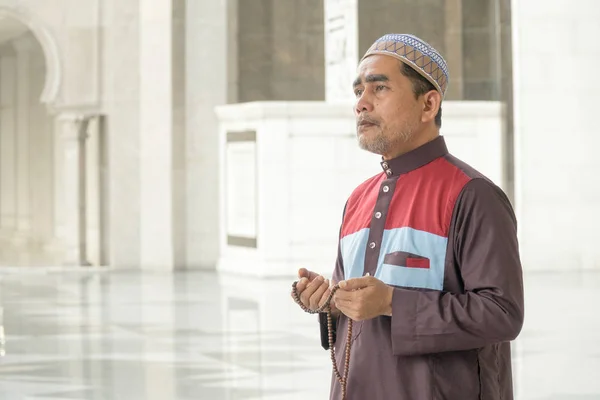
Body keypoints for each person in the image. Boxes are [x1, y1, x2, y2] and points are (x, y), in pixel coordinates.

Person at [292, 33, 524, 400]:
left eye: (379, 88)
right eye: (357, 93)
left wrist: (390, 303)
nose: (361, 105)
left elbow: (501, 313)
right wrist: (328, 301)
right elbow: (355, 315)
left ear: (428, 103)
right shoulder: (358, 199)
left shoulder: (472, 194)